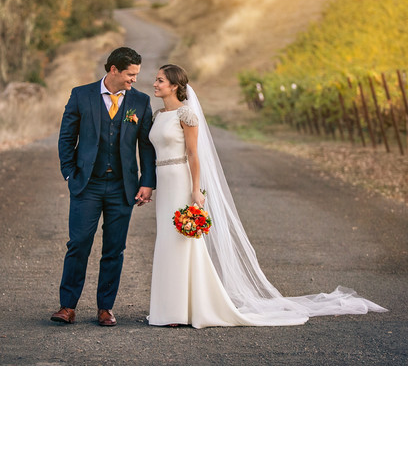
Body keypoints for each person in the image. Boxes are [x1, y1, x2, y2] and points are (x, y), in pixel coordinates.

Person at [148, 64, 387, 328]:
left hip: (181, 181)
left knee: (183, 242)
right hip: (164, 183)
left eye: (160, 80)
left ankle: (184, 310)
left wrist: (195, 189)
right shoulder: (158, 115)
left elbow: (194, 154)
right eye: (156, 80)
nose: (155, 83)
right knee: (166, 240)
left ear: (173, 86)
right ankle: (168, 307)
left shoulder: (187, 115)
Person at [51, 47, 157, 326]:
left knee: (114, 248)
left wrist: (147, 182)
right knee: (78, 244)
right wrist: (69, 174)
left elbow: (146, 146)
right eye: (129, 74)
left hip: (122, 188)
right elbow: (66, 138)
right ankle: (67, 306)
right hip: (87, 185)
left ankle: (105, 308)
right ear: (113, 70)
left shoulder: (141, 102)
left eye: (136, 75)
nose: (133, 80)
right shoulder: (81, 95)